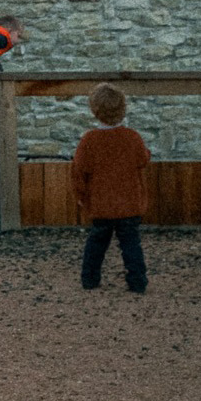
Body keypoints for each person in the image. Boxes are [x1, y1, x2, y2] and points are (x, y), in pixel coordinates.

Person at [70, 83, 150, 294]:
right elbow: (143, 159)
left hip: (101, 204)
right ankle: (137, 282)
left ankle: (90, 280)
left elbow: (80, 169)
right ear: (123, 108)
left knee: (96, 243)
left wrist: (80, 195)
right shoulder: (132, 137)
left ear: (95, 111)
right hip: (129, 203)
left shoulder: (89, 141)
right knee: (131, 244)